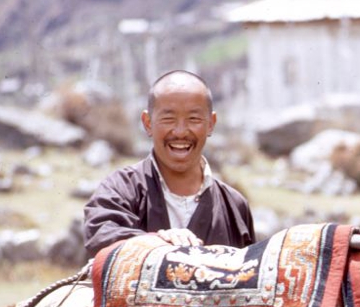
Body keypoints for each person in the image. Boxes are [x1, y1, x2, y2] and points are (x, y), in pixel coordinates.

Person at [83, 69, 256, 256]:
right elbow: (101, 239)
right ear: (147, 123)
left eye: (194, 119)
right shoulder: (119, 190)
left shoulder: (234, 205)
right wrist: (157, 242)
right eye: (168, 119)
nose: (180, 131)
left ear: (211, 123)